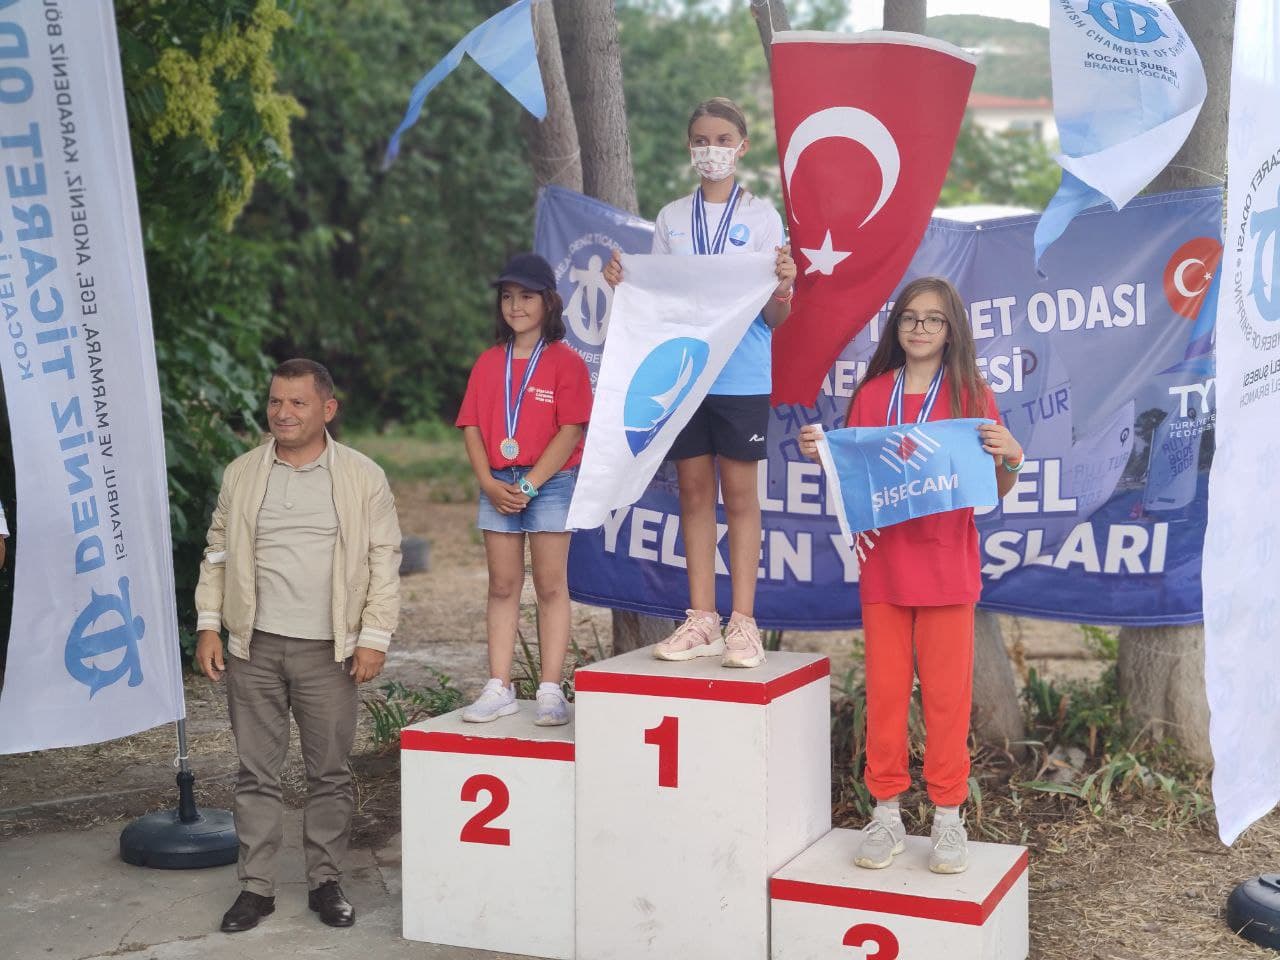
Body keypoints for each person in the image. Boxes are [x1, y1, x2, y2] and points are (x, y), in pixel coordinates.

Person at [799, 277, 1023, 875]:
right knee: (887, 695)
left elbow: (994, 488)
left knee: (948, 700)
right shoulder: (874, 394)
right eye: (910, 318)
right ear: (896, 327)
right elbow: (856, 478)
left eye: (933, 319)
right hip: (886, 569)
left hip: (947, 567)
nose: (920, 328)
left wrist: (1011, 454)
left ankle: (948, 816)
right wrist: (823, 452)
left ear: (952, 331)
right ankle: (887, 813)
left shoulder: (972, 394)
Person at [194, 358, 401, 933]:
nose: (282, 413)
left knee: (328, 774)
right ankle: (256, 889)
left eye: (297, 403)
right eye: (275, 401)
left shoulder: (362, 477)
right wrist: (209, 624)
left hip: (329, 652)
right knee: (255, 774)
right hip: (253, 647)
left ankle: (325, 882)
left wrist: (374, 638)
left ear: (327, 409)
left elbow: (384, 561)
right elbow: (217, 551)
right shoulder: (242, 473)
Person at [603, 97, 796, 669]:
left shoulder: (761, 218)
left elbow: (773, 316)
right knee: (692, 493)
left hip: (741, 374)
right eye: (701, 140)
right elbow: (661, 298)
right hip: (685, 374)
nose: (711, 149)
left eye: (722, 139)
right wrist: (625, 282)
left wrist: (784, 286)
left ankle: (744, 622)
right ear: (690, 148)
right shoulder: (671, 219)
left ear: (743, 147)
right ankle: (702, 617)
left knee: (739, 496)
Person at [455, 252, 593, 726]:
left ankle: (551, 689)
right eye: (508, 297)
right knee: (502, 585)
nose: (516, 306)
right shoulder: (488, 362)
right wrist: (488, 483)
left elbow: (571, 430)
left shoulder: (566, 363)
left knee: (551, 585)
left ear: (549, 302)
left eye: (527, 297)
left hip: (550, 484)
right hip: (498, 483)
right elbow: (471, 427)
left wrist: (531, 484)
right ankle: (500, 686)